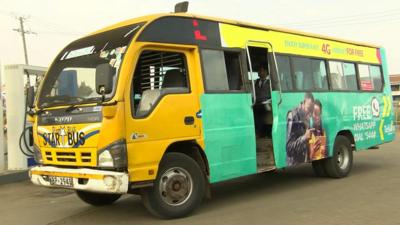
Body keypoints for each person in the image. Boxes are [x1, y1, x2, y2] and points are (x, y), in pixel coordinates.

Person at [286, 92, 315, 166]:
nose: (310, 114)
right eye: (308, 109)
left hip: (302, 163)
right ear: (303, 103)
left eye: (311, 110)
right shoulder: (293, 116)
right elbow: (289, 148)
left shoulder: (307, 115)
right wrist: (304, 137)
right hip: (293, 165)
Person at [253, 64, 272, 137]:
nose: (259, 72)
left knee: (259, 110)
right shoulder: (256, 82)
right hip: (257, 102)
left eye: (261, 71)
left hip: (267, 103)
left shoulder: (270, 82)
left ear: (266, 71)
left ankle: (258, 132)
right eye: (258, 71)